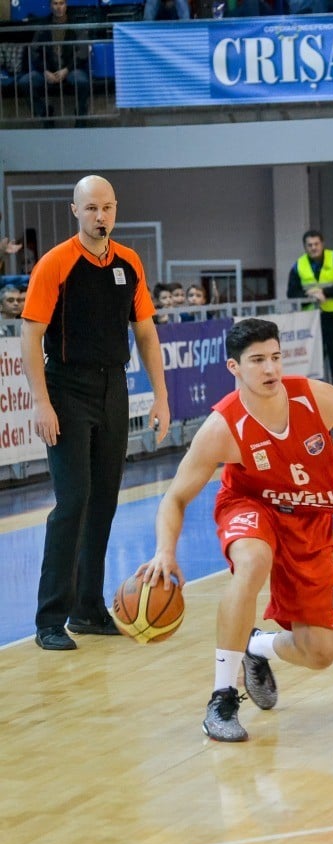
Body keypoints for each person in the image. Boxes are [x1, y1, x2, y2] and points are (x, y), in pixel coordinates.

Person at [140, 316, 333, 742]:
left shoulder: (316, 397)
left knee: (321, 653)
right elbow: (175, 497)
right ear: (234, 368)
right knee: (252, 561)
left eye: (275, 357)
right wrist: (165, 550)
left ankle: (254, 646)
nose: (271, 369)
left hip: (309, 521)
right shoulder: (222, 427)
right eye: (257, 361)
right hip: (251, 507)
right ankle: (221, 696)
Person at [20, 175, 170, 652]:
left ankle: (87, 609)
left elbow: (145, 332)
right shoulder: (55, 264)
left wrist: (161, 396)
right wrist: (41, 403)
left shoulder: (129, 262)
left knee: (104, 500)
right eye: (90, 208)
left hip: (113, 387)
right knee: (73, 502)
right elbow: (30, 337)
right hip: (66, 388)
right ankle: (50, 618)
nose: (99, 216)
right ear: (74, 211)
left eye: (106, 208)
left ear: (115, 210)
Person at [287, 229, 333, 404]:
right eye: (309, 245)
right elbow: (291, 293)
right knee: (312, 369)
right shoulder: (299, 265)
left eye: (316, 244)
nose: (313, 248)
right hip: (311, 324)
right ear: (305, 247)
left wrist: (326, 292)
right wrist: (309, 294)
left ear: (322, 244)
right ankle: (316, 410)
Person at [27, 0, 90, 121]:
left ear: (66, 5)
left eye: (61, 3)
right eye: (55, 3)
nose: (58, 7)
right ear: (50, 6)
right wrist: (44, 70)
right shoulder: (43, 25)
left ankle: (81, 115)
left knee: (82, 81)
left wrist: (67, 70)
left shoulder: (75, 24)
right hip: (48, 70)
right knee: (26, 81)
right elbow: (34, 51)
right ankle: (45, 113)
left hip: (71, 69)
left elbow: (83, 51)